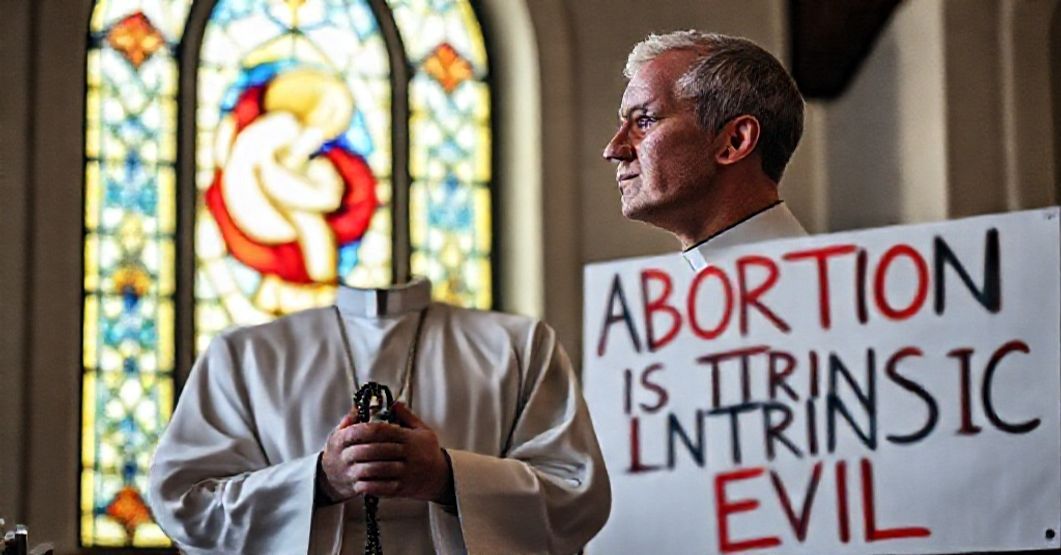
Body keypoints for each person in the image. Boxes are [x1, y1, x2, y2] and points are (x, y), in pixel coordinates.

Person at [148, 277, 611, 554]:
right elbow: (183, 504)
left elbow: (576, 498)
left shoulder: (520, 346)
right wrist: (317, 482)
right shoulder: (244, 354)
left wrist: (450, 478)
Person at [603, 31, 808, 270]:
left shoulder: (837, 294)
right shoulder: (668, 292)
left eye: (645, 121)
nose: (613, 149)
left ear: (735, 141)